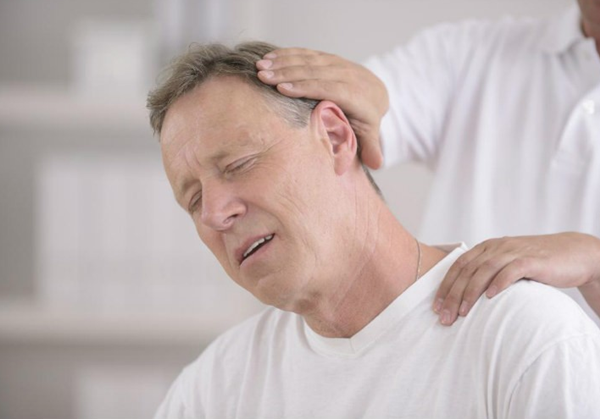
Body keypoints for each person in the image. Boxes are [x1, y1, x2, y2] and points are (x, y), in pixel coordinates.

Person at [148, 41, 600, 419]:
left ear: (335, 138)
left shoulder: (529, 342)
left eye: (238, 164)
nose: (214, 214)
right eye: (193, 201)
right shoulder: (212, 388)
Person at [255, 1, 600, 327]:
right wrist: (362, 95)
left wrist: (594, 262)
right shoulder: (472, 54)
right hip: (443, 349)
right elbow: (356, 115)